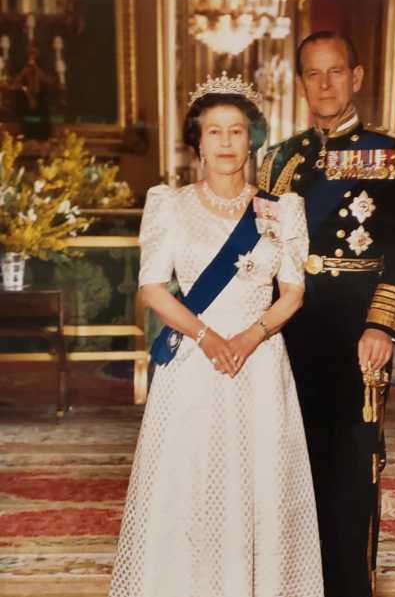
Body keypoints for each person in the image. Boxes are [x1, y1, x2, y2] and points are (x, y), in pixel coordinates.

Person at [108, 72, 324, 597]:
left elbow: (293, 292)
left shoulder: (282, 208)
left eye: (236, 131)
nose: (226, 142)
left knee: (259, 484)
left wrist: (249, 338)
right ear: (196, 142)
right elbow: (153, 290)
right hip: (194, 367)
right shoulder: (169, 204)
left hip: (261, 365)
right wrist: (207, 337)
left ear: (252, 138)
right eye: (214, 132)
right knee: (191, 484)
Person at [259, 32, 395, 597]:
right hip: (288, 328)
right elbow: (259, 253)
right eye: (313, 73)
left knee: (351, 467)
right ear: (300, 81)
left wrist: (382, 325)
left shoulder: (394, 156)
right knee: (287, 464)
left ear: (356, 76)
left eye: (335, 72)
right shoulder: (278, 159)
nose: (324, 84)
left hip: (357, 331)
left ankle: (348, 586)